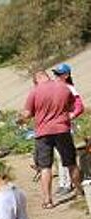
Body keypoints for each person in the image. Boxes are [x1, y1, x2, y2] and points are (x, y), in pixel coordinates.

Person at [20, 71, 83, 209]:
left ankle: (48, 200)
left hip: (43, 133)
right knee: (71, 163)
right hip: (62, 129)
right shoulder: (64, 87)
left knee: (45, 167)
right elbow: (72, 107)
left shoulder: (35, 91)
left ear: (36, 80)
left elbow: (27, 114)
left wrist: (21, 118)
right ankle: (79, 191)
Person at [52, 63, 85, 196]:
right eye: (55, 74)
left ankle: (68, 184)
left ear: (66, 76)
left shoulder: (69, 88)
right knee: (58, 156)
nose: (56, 77)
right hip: (56, 126)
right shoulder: (54, 88)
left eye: (59, 74)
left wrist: (71, 116)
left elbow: (80, 106)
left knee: (64, 157)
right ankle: (63, 182)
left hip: (66, 126)